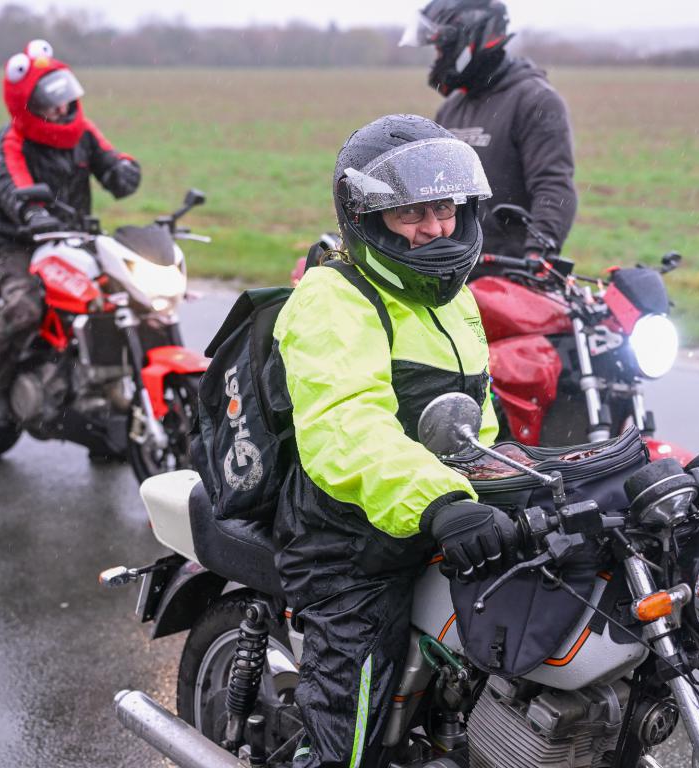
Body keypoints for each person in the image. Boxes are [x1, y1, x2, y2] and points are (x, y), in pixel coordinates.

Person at [271, 114, 518, 768]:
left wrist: (519, 487)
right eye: (411, 212)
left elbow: (475, 428)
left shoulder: (454, 301)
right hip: (347, 542)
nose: (436, 228)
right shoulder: (334, 298)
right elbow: (346, 425)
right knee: (351, 735)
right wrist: (442, 502)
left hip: (433, 523)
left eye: (445, 208)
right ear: (367, 218)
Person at [0, 39, 141, 423]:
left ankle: (105, 389)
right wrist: (32, 213)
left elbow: (111, 161)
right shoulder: (12, 139)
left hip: (74, 241)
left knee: (124, 299)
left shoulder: (82, 132)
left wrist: (123, 172)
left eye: (64, 97)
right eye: (48, 101)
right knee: (24, 308)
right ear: (26, 104)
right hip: (18, 245)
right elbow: (13, 186)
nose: (60, 107)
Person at [401, 0, 578, 271]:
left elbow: (553, 185)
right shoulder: (452, 108)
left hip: (508, 271)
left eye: (441, 48)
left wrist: (537, 253)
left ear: (470, 40)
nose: (437, 58)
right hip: (454, 264)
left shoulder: (535, 100)